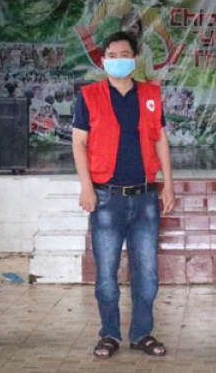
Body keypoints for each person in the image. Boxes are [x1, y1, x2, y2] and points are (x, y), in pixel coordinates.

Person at [71, 31, 176, 360]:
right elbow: (78, 143)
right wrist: (86, 187)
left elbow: (160, 140)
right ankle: (109, 334)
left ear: (136, 59)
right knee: (106, 274)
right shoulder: (89, 97)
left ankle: (142, 333)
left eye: (125, 54)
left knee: (147, 274)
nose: (119, 59)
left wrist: (168, 183)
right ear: (103, 61)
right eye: (112, 55)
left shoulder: (150, 95)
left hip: (145, 198)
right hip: (106, 200)